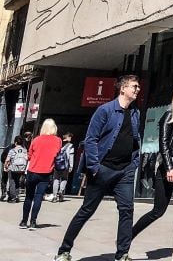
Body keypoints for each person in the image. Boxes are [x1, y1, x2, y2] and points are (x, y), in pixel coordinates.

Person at [55, 74, 142, 261]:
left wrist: (134, 163)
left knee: (127, 210)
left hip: (125, 170)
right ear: (123, 88)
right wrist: (95, 167)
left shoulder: (136, 112)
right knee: (87, 210)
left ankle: (122, 254)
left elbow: (135, 139)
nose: (138, 89)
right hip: (103, 169)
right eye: (134, 86)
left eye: (138, 87)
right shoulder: (105, 110)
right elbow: (91, 139)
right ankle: (64, 250)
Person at [131, 85, 173, 261]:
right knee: (158, 211)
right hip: (169, 169)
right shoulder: (169, 116)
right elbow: (164, 144)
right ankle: (127, 238)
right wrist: (169, 167)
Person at [21, 118, 62, 229]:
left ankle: (24, 222)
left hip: (32, 171)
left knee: (28, 197)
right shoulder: (58, 141)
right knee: (38, 197)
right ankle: (33, 222)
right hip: (46, 172)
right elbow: (57, 154)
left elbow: (29, 156)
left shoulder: (36, 140)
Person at [52, 133, 75, 202]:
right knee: (64, 179)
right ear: (68, 137)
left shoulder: (58, 144)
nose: (71, 138)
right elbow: (71, 156)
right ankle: (61, 191)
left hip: (57, 165)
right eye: (70, 137)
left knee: (56, 179)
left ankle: (54, 196)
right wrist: (71, 166)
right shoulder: (70, 146)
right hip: (65, 165)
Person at [4, 135, 28, 202]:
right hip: (21, 169)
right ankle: (17, 196)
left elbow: (7, 160)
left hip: (13, 168)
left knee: (12, 182)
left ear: (15, 142)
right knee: (17, 182)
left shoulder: (12, 150)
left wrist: (6, 166)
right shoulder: (25, 150)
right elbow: (26, 159)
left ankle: (13, 197)